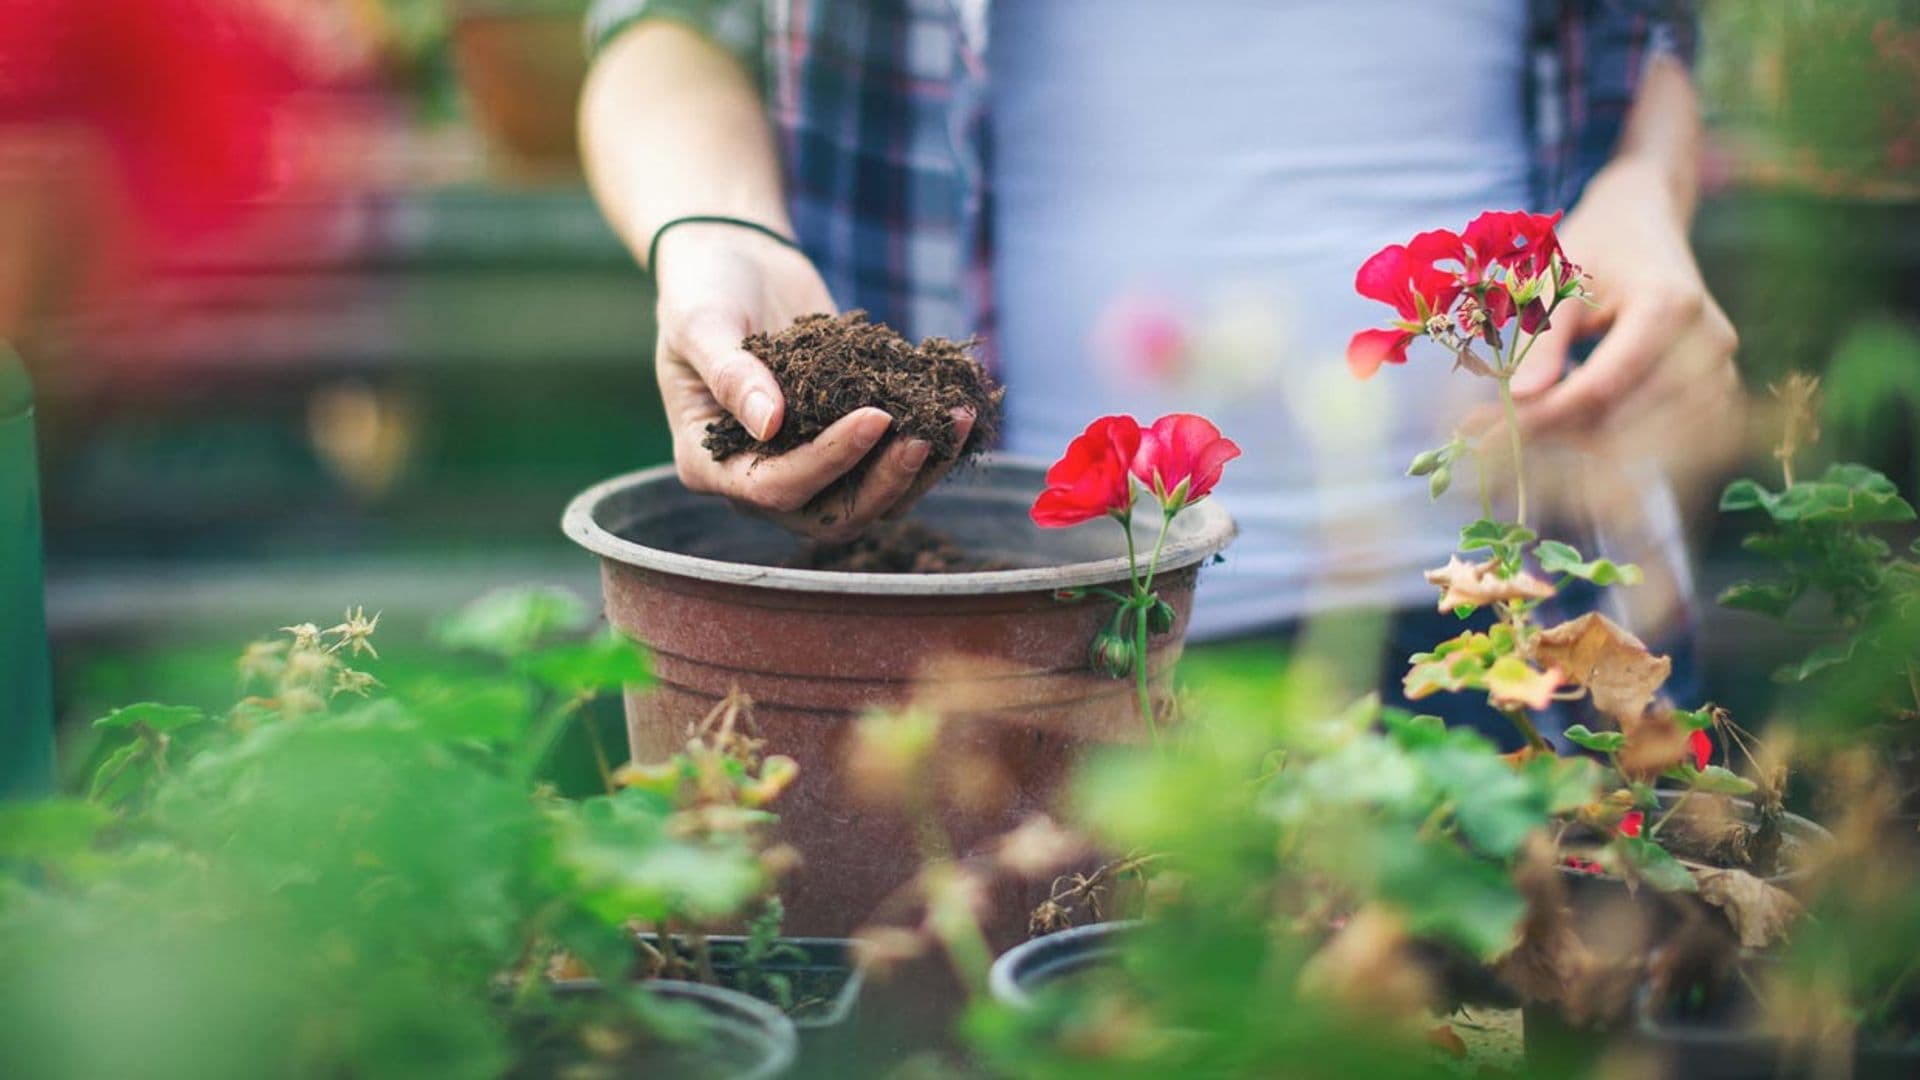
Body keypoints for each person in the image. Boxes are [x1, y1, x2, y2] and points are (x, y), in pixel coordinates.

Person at [577, 0, 1739, 718]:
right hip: (1005, 637)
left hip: (1529, 614)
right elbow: (661, 23)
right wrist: (717, 227)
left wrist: (1645, 191)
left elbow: (1647, 37)